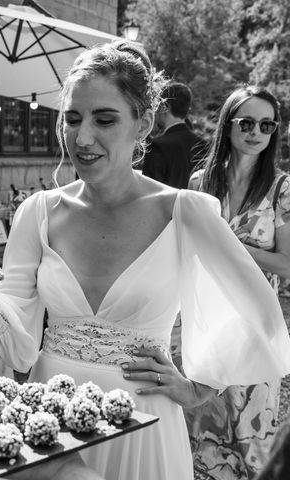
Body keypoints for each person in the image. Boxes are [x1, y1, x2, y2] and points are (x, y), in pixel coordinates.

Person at [0, 40, 290, 480]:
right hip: (51, 417)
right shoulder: (39, 212)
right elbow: (17, 343)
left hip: (143, 423)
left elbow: (258, 311)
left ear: (143, 124)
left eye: (104, 119)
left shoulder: (186, 210)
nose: (82, 138)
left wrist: (198, 387)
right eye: (72, 119)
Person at [187, 85, 290, 480]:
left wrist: (232, 248)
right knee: (204, 440)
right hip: (205, 329)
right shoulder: (200, 185)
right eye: (246, 122)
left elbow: (287, 264)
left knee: (253, 445)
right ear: (228, 124)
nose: (256, 132)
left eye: (267, 124)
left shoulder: (282, 189)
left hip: (255, 334)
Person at [142, 81, 206, 188]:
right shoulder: (203, 145)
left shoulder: (157, 146)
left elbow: (148, 191)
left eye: (157, 104)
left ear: (165, 106)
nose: (155, 110)